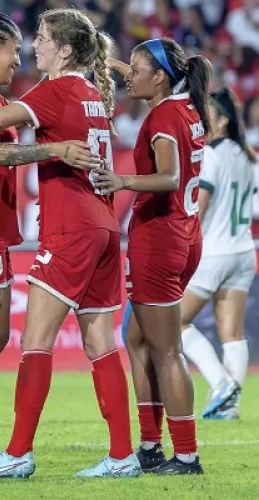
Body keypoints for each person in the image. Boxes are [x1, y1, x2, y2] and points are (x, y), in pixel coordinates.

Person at [0, 8, 139, 479]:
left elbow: (0, 124)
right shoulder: (89, 93)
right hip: (94, 225)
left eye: (37, 41)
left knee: (21, 341)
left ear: (64, 50)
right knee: (85, 341)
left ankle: (8, 451)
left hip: (66, 228)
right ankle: (118, 454)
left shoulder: (44, 91)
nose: (27, 53)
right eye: (19, 45)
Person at [92, 38, 213, 475]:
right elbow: (141, 72)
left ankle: (186, 455)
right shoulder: (184, 107)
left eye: (136, 70)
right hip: (183, 235)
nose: (129, 77)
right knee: (138, 339)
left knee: (167, 350)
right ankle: (149, 444)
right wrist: (103, 57)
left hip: (159, 239)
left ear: (159, 77)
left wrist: (121, 181)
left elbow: (168, 177)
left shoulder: (162, 116)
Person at [179, 87, 257, 420]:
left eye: (207, 113)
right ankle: (229, 406)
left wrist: (182, 241)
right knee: (233, 333)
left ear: (222, 121)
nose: (200, 117)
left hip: (214, 251)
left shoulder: (210, 155)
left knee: (174, 322)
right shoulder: (248, 155)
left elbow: (201, 206)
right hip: (243, 251)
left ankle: (221, 383)